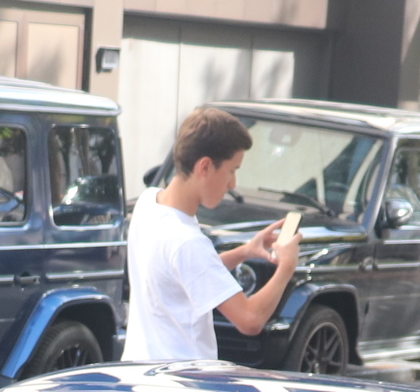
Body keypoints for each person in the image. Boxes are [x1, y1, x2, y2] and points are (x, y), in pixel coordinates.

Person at [123, 107, 299, 363]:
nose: (233, 184)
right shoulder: (187, 241)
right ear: (204, 166)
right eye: (231, 170)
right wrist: (287, 267)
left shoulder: (148, 202)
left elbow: (184, 270)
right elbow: (249, 321)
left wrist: (245, 251)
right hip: (180, 389)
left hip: (139, 376)